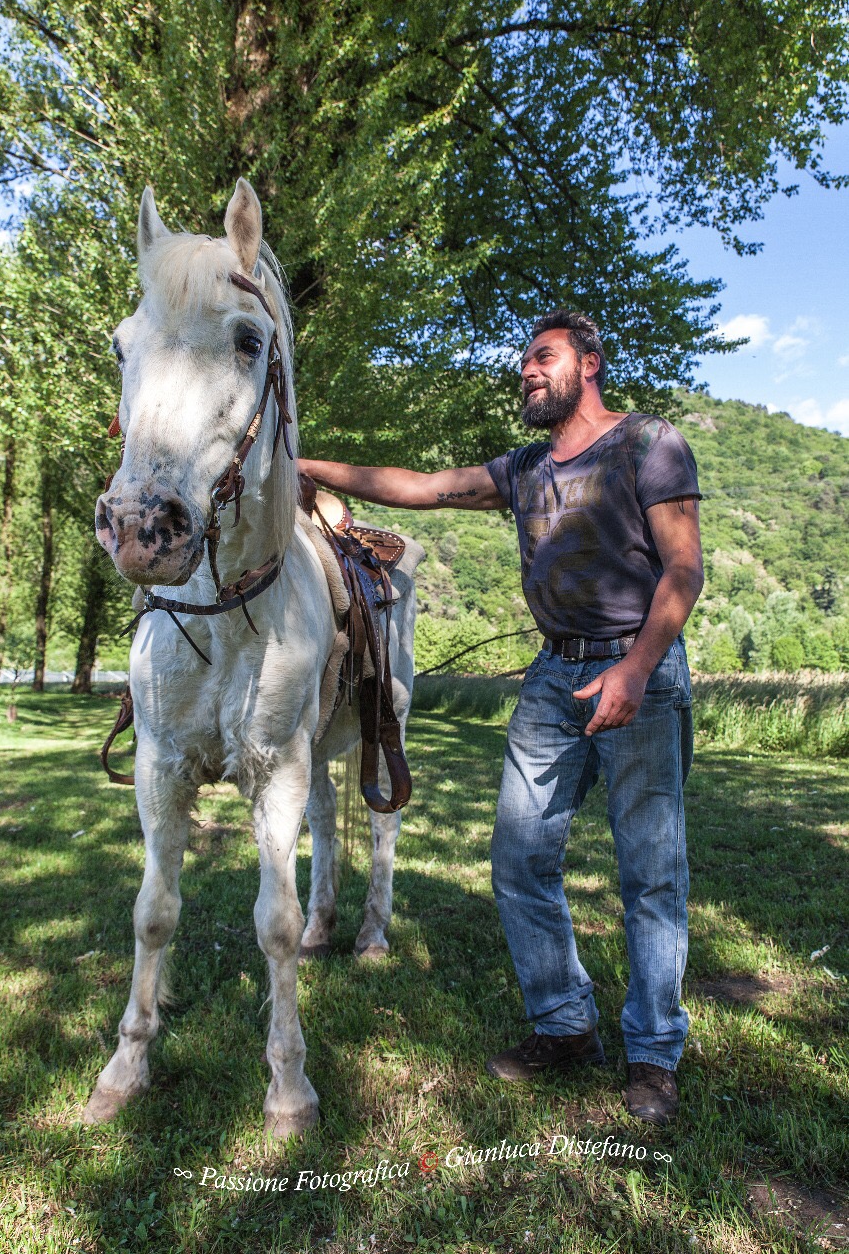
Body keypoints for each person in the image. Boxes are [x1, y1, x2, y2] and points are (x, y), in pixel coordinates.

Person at [299, 309, 703, 1125]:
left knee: (649, 873)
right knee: (520, 859)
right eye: (522, 359)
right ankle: (564, 1025)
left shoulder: (646, 444)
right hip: (554, 675)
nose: (526, 370)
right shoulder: (522, 469)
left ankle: (653, 1053)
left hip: (640, 671)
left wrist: (635, 668)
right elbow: (419, 488)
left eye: (542, 357)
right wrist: (297, 462)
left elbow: (685, 570)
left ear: (589, 362)